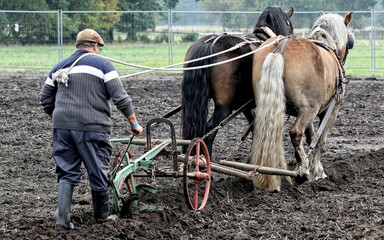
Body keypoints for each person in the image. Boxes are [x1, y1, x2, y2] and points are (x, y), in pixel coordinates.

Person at [40, 29, 143, 231]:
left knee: (66, 172)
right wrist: (134, 124)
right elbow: (120, 97)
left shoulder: (59, 66)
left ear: (78, 46)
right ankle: (102, 219)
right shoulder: (103, 64)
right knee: (98, 171)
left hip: (61, 128)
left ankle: (62, 221)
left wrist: (61, 121)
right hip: (92, 127)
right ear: (96, 46)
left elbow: (45, 100)